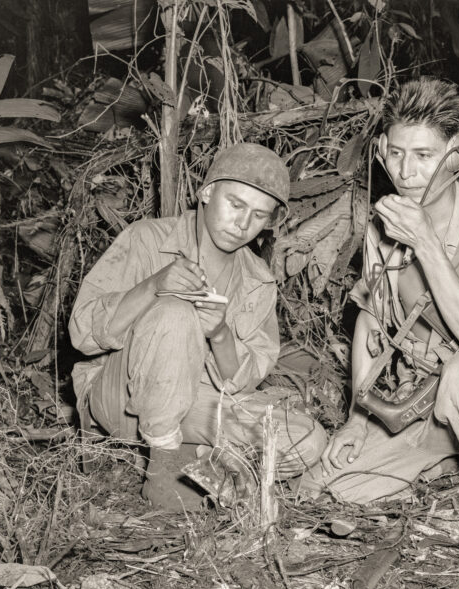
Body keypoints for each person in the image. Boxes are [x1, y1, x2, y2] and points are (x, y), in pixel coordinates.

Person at [296, 78, 459, 504]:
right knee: (332, 489)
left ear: (456, 155)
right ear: (381, 153)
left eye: (424, 156)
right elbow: (371, 323)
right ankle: (448, 459)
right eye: (396, 154)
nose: (405, 172)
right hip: (420, 402)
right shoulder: (382, 230)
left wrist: (426, 243)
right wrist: (358, 417)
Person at [69, 143, 327, 512]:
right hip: (122, 399)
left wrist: (220, 334)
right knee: (175, 312)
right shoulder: (147, 239)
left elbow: (245, 381)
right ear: (207, 192)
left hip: (194, 405)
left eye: (258, 215)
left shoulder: (258, 280)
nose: (242, 224)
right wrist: (154, 286)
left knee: (306, 440)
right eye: (235, 205)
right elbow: (82, 334)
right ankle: (163, 472)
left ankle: (203, 460)